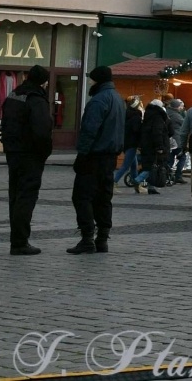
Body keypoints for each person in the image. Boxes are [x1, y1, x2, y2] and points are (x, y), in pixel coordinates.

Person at [69, 65, 126, 254]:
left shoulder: (99, 100)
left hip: (94, 155)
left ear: (98, 80)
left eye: (92, 79)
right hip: (111, 155)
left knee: (82, 196)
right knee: (103, 197)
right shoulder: (117, 98)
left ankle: (87, 238)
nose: (90, 82)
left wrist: (82, 154)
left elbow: (89, 129)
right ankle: (102, 238)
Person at [0, 64, 54, 256]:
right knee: (26, 197)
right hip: (30, 154)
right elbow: (42, 131)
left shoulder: (14, 94)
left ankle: (17, 239)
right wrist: (44, 153)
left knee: (15, 195)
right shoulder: (36, 99)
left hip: (13, 152)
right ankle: (20, 242)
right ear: (43, 82)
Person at [140, 98, 172, 196]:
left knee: (152, 166)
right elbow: (157, 132)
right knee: (154, 165)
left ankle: (150, 186)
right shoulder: (158, 117)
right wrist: (160, 146)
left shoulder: (148, 115)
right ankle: (138, 180)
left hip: (147, 144)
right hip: (155, 145)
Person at [114, 96, 145, 192]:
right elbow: (136, 130)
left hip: (125, 142)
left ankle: (137, 185)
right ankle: (113, 182)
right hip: (132, 143)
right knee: (126, 165)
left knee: (134, 165)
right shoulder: (136, 117)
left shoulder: (126, 114)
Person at [167, 98, 188, 185]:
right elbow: (184, 124)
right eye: (179, 106)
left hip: (169, 139)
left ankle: (167, 175)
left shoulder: (167, 113)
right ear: (176, 107)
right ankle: (178, 176)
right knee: (182, 157)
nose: (181, 108)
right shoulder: (176, 116)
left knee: (170, 158)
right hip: (177, 139)